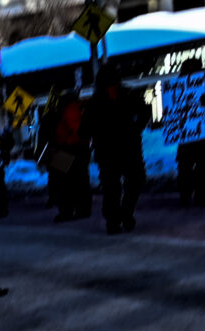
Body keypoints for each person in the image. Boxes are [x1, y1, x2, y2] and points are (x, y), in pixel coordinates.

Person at [89, 76, 149, 235]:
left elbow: (86, 128)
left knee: (113, 187)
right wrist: (136, 128)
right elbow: (145, 112)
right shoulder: (128, 95)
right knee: (129, 183)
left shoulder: (95, 102)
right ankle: (122, 215)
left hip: (110, 150)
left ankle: (115, 219)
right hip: (126, 148)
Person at [44, 86, 92, 222]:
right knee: (80, 181)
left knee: (64, 183)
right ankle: (82, 209)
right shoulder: (79, 109)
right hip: (78, 148)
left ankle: (67, 211)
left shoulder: (68, 110)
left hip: (67, 147)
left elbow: (72, 129)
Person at [175, 72, 205, 208]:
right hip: (199, 134)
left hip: (191, 135)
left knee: (188, 166)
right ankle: (198, 194)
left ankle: (189, 194)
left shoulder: (180, 84)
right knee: (201, 165)